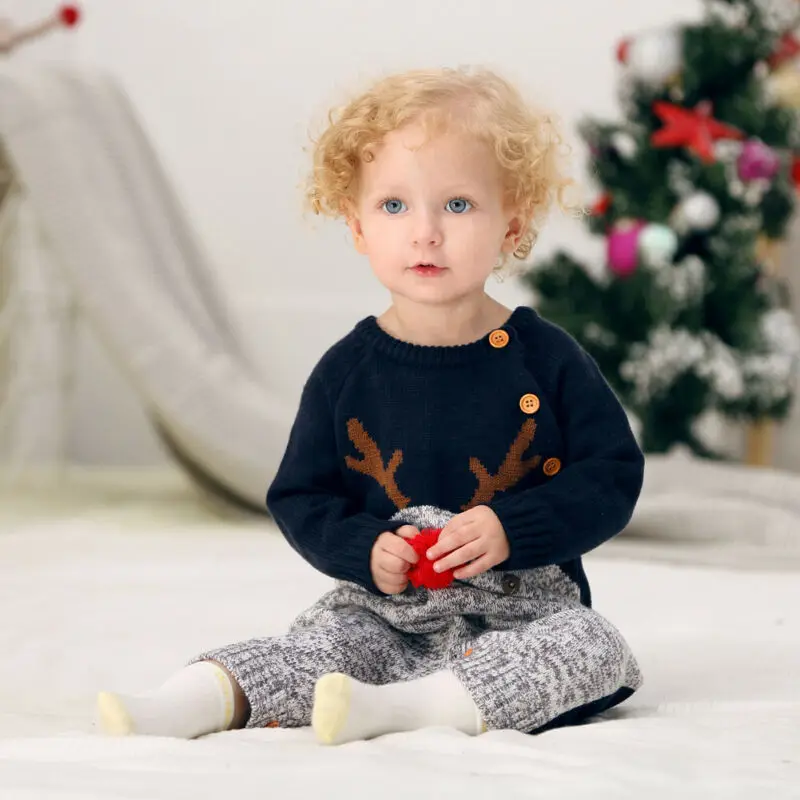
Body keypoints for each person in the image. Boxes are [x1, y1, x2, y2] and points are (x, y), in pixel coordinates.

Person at [96, 65, 644, 745]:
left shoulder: (548, 358)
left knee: (593, 646)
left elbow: (610, 475)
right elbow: (301, 496)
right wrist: (365, 549)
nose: (425, 233)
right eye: (394, 206)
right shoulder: (346, 372)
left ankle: (409, 709)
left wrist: (513, 527)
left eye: (458, 205)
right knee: (319, 647)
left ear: (512, 223)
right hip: (385, 612)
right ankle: (194, 698)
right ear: (357, 227)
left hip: (523, 613)